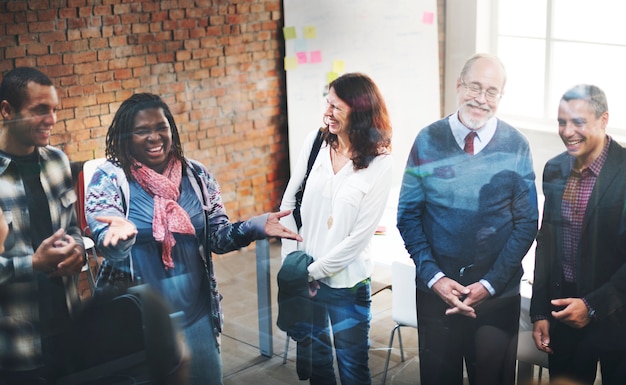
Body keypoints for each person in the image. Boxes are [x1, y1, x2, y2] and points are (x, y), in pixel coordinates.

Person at [84, 92, 302, 385]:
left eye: (161, 127)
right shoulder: (110, 178)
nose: (154, 137)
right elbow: (104, 227)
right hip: (138, 320)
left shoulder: (197, 176)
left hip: (195, 314)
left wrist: (254, 226)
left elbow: (218, 238)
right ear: (126, 137)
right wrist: (116, 236)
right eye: (142, 130)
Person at [396, 53, 539, 385]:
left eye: (492, 91)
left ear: (500, 97)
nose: (481, 98)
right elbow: (408, 215)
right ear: (459, 86)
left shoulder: (517, 145)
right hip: (436, 296)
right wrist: (434, 278)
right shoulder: (427, 139)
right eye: (474, 86)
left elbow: (527, 223)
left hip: (497, 299)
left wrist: (488, 285)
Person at [280, 72, 393, 385]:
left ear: (359, 113)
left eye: (337, 107)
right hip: (305, 280)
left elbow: (358, 239)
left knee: (353, 370)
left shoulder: (379, 164)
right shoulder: (316, 142)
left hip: (348, 286)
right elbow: (289, 205)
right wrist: (294, 266)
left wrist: (310, 274)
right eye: (327, 103)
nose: (327, 113)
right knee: (318, 369)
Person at [530, 84, 626, 385]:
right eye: (562, 122)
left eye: (578, 122)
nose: (567, 131)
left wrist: (593, 305)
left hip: (618, 317)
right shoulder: (555, 169)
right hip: (564, 314)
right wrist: (540, 312)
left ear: (603, 119)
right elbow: (546, 244)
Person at [0, 67, 86, 383]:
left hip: (68, 334)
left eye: (54, 110)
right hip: (15, 349)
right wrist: (33, 264)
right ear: (7, 110)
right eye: (39, 110)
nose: (51, 119)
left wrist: (77, 249)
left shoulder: (57, 162)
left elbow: (74, 229)